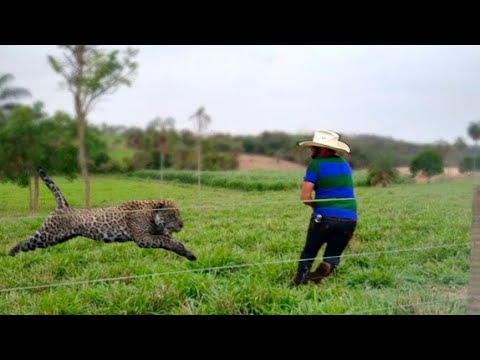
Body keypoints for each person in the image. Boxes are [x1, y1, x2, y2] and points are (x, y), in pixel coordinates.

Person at [293, 129, 357, 286]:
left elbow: (305, 196)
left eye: (313, 147)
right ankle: (324, 270)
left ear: (321, 148)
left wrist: (317, 207)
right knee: (332, 256)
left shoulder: (316, 164)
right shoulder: (345, 164)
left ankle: (299, 284)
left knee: (309, 252)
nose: (311, 150)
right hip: (349, 218)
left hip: (324, 217)